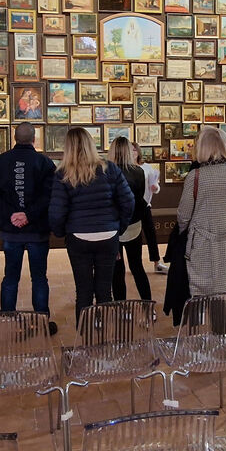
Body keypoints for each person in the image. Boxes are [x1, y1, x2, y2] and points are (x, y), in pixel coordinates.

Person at [49, 127, 134, 323]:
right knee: (105, 290)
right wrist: (118, 227)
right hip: (108, 235)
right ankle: (105, 340)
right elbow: (128, 201)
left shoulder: (63, 173)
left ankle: (84, 341)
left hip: (78, 236)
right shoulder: (109, 168)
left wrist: (62, 232)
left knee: (84, 291)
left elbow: (56, 211)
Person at [0, 122, 57, 329]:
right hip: (37, 231)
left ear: (14, 138)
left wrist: (11, 214)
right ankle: (41, 319)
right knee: (39, 277)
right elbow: (49, 194)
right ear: (34, 139)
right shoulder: (44, 162)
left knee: (10, 276)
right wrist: (29, 215)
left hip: (11, 230)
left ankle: (7, 317)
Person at [179, 127, 226, 297]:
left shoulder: (195, 176)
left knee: (201, 290)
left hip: (202, 243)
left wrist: (183, 231)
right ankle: (223, 322)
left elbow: (184, 215)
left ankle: (198, 320)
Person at [110, 138, 153, 303]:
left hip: (114, 228)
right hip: (134, 225)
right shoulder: (138, 171)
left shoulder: (108, 172)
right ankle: (148, 305)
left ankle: (121, 308)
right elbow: (139, 199)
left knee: (117, 271)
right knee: (137, 268)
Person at [137, 149, 167, 273]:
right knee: (135, 237)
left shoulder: (147, 168)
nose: (133, 152)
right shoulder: (126, 168)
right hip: (132, 207)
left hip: (145, 205)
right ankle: (136, 264)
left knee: (151, 234)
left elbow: (155, 186)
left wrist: (155, 188)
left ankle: (156, 262)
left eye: (135, 150)